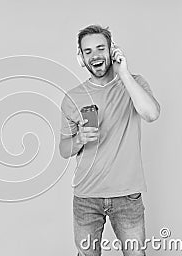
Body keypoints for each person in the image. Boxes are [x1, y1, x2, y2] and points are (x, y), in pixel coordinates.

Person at [59, 25, 160, 256]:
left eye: (100, 48)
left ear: (111, 50)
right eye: (87, 51)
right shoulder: (72, 97)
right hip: (86, 197)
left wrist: (123, 73)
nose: (94, 55)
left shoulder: (134, 84)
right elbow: (64, 149)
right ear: (81, 58)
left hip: (127, 196)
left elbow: (151, 114)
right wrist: (79, 139)